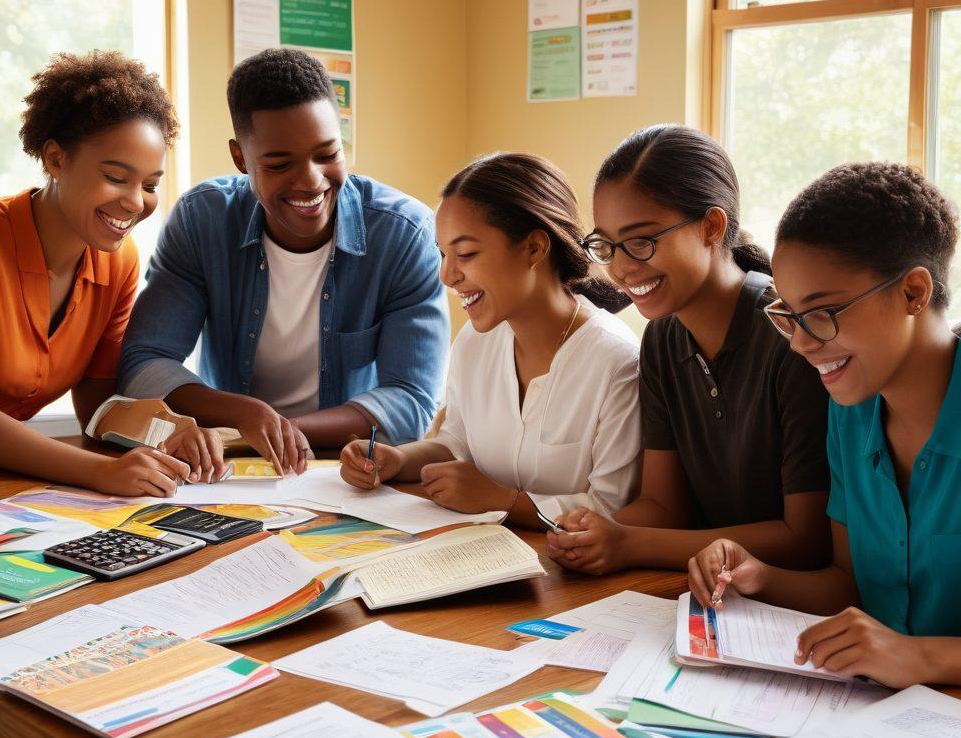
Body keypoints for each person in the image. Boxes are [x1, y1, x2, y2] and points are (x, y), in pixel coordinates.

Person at [689, 162, 961, 689]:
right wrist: (761, 577)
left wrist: (921, 657)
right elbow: (850, 584)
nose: (801, 342)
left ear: (913, 293)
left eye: (822, 313)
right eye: (787, 315)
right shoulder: (849, 409)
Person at [119, 48, 450, 471]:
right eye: (278, 164)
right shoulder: (203, 220)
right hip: (228, 465)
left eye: (327, 155)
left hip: (345, 468)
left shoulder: (404, 233)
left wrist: (282, 429)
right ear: (240, 158)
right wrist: (242, 414)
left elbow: (411, 400)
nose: (311, 181)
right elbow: (144, 363)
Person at [547, 125, 831, 574]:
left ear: (711, 227)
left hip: (783, 605)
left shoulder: (789, 336)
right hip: (701, 587)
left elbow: (805, 540)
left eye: (642, 241)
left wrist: (631, 545)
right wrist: (591, 534)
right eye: (607, 245)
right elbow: (663, 506)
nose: (620, 268)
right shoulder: (662, 335)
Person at [0, 51, 223, 494]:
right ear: (55, 159)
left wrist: (169, 431)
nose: (134, 202)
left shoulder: (118, 260)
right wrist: (102, 472)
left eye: (149, 185)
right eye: (115, 176)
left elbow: (97, 407)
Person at [340, 153, 641, 526]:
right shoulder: (475, 340)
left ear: (534, 248)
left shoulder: (617, 363)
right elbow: (456, 443)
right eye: (443, 254)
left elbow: (614, 506)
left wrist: (503, 501)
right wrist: (398, 459)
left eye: (465, 253)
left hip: (570, 573)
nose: (447, 276)